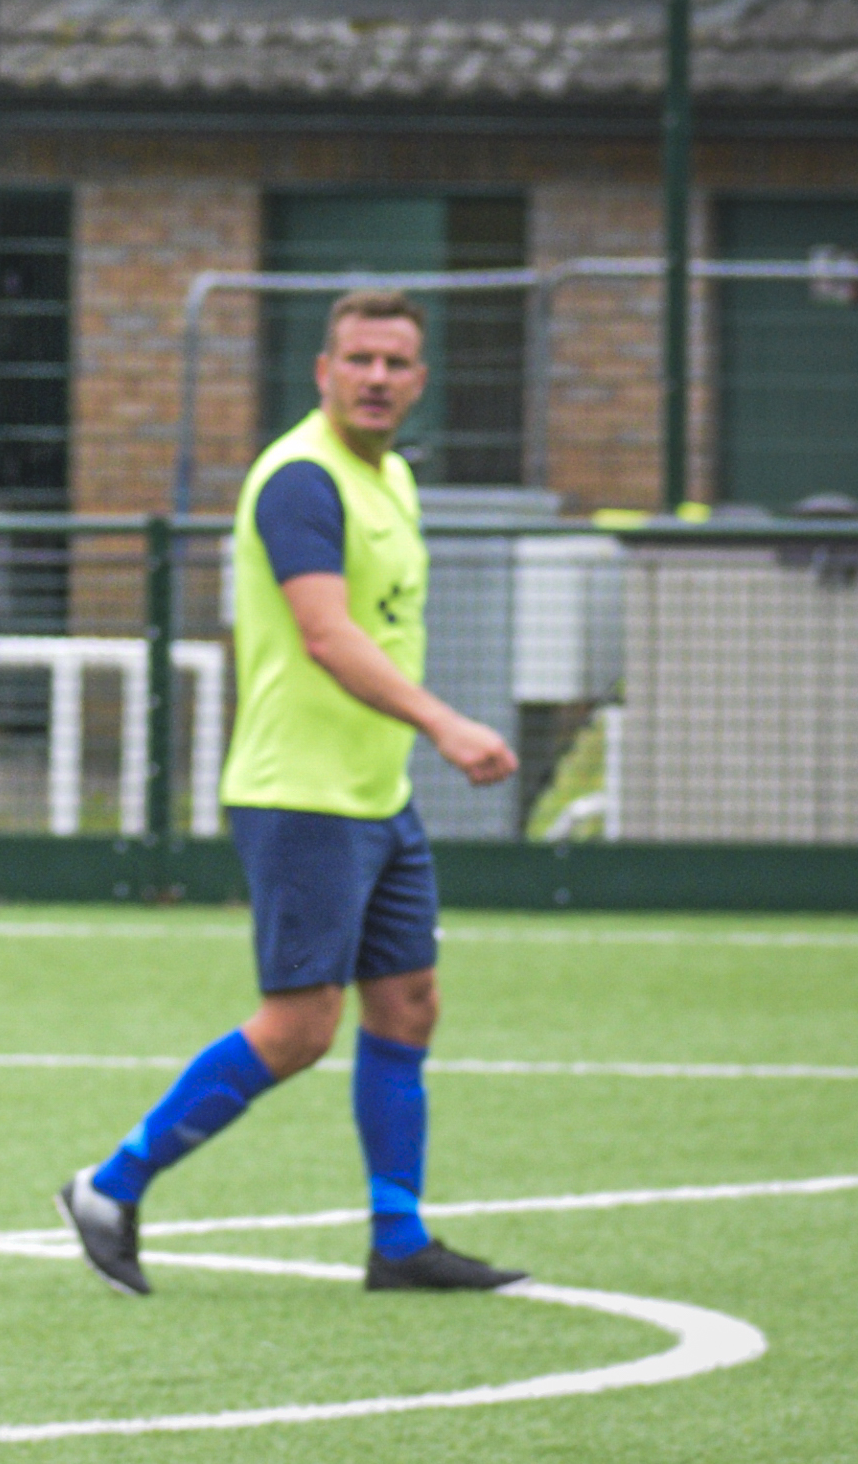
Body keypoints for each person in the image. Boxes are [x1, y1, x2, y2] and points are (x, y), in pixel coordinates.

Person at [58, 289, 526, 1296]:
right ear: (322, 371)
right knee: (301, 1025)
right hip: (301, 796)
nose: (375, 377)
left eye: (395, 362)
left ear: (420, 379)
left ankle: (398, 1238)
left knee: (407, 1002)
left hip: (375, 792)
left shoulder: (392, 475)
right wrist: (444, 722)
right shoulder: (299, 479)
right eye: (358, 358)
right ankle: (108, 1185)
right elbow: (326, 633)